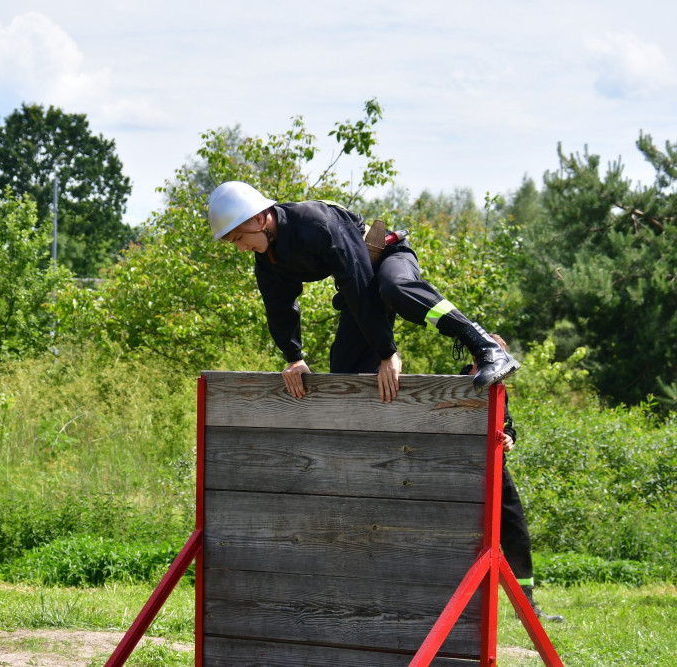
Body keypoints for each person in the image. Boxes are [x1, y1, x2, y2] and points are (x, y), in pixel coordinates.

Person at [206, 181, 520, 401]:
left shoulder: (316, 223)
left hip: (386, 258)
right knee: (346, 373)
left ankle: (486, 348)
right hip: (362, 286)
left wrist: (387, 352)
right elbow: (279, 308)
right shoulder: (268, 258)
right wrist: (294, 358)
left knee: (394, 287)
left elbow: (357, 282)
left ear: (260, 219)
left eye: (237, 238)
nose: (239, 248)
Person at [462, 335, 564, 623]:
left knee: (518, 534)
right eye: (498, 357)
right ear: (479, 357)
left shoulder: (500, 387)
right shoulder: (456, 383)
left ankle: (527, 605)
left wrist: (509, 438)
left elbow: (508, 424)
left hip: (496, 470)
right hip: (461, 470)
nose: (503, 365)